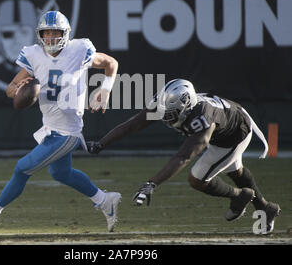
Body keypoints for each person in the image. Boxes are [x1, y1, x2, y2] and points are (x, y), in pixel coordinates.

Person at [0, 11, 122, 232]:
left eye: (56, 33)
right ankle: (105, 200)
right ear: (40, 35)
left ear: (65, 34)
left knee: (21, 168)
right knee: (60, 173)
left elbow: (111, 63)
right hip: (50, 129)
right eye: (47, 33)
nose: (51, 38)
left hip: (68, 132)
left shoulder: (79, 49)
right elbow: (10, 89)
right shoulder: (34, 55)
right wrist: (19, 89)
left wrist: (105, 89)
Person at [87, 78, 281, 234]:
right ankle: (264, 207)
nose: (165, 118)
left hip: (235, 134)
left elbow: (184, 156)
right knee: (235, 170)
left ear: (186, 106)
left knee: (197, 178)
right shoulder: (166, 102)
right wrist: (101, 143)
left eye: (170, 113)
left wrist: (152, 183)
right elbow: (133, 124)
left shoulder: (203, 118)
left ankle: (239, 196)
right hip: (230, 118)